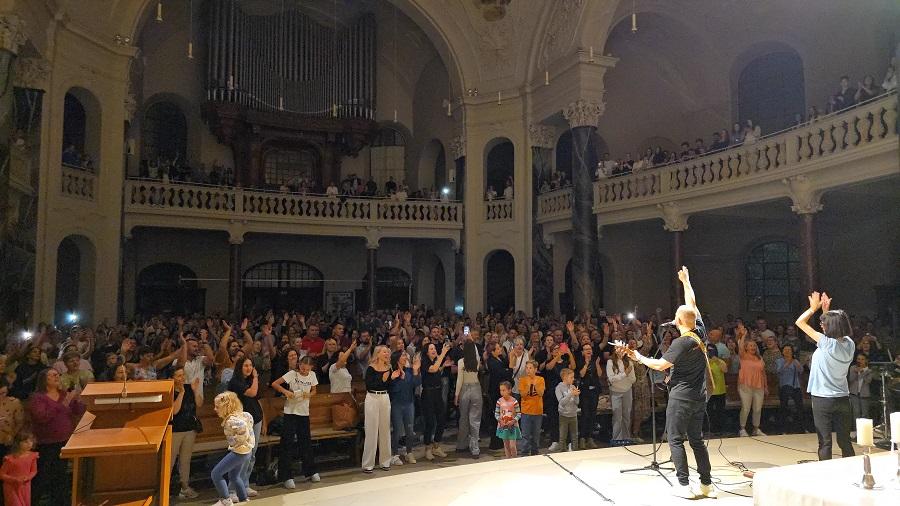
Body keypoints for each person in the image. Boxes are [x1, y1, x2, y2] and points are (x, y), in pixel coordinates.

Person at [617, 266, 715, 499]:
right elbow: (692, 302)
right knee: (697, 440)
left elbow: (661, 365)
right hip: (699, 396)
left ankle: (684, 486)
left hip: (681, 396)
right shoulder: (700, 331)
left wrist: (637, 356)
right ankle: (706, 485)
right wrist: (686, 282)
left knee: (675, 439)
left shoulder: (681, 342)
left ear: (679, 320)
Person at [795, 291, 855, 461]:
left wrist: (813, 308)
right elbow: (833, 333)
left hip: (823, 398)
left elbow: (800, 322)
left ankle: (825, 475)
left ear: (832, 326)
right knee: (845, 441)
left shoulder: (826, 343)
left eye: (825, 323)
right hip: (843, 398)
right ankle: (852, 470)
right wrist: (826, 313)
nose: (822, 325)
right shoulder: (849, 344)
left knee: (825, 442)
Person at [29, 368, 84, 506]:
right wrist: (65, 402)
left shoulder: (63, 394)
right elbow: (42, 417)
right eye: (52, 375)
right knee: (43, 476)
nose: (56, 377)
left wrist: (78, 399)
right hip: (46, 442)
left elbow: (78, 411)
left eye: (57, 375)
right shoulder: (38, 398)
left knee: (60, 476)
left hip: (64, 441)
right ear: (44, 380)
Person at [271, 356, 320, 488]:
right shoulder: (292, 374)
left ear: (311, 368)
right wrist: (286, 391)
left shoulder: (313, 375)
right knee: (287, 443)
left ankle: (310, 471)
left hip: (304, 412)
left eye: (307, 368)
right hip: (291, 412)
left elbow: (315, 390)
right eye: (302, 366)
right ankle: (286, 476)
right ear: (299, 365)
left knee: (306, 442)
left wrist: (309, 395)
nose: (304, 369)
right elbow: (275, 383)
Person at [210, 391, 255, 506]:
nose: (215, 409)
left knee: (216, 473)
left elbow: (243, 431)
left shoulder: (231, 421)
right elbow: (250, 423)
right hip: (247, 451)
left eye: (217, 407)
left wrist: (237, 441)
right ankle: (244, 499)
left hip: (239, 452)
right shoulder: (245, 414)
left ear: (226, 407)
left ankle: (225, 500)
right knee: (234, 476)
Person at [227, 357, 263, 497]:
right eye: (245, 365)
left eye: (250, 365)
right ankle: (232, 489)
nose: (249, 368)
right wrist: (255, 377)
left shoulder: (251, 381)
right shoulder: (235, 382)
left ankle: (245, 484)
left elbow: (257, 399)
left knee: (252, 454)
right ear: (239, 367)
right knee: (241, 454)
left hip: (256, 419)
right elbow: (252, 393)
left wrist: (263, 420)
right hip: (241, 423)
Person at [362, 346, 400, 473]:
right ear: (377, 354)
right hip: (372, 397)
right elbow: (369, 385)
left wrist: (391, 378)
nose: (387, 354)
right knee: (371, 431)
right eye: (384, 352)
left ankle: (385, 461)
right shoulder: (371, 368)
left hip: (384, 397)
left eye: (388, 352)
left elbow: (388, 386)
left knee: (385, 430)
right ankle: (368, 464)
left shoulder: (389, 368)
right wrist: (383, 378)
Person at [171, 366, 202, 500]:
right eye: (178, 376)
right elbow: (174, 411)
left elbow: (199, 404)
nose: (182, 378)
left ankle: (185, 487)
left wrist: (195, 391)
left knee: (185, 460)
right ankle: (164, 487)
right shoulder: (170, 391)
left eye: (183, 375)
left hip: (190, 429)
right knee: (170, 461)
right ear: (172, 378)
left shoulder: (190, 388)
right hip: (175, 430)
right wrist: (182, 393)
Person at [389, 350, 421, 465]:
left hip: (409, 403)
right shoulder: (392, 371)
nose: (405, 357)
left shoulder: (409, 371)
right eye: (403, 355)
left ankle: (409, 452)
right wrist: (394, 378)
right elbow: (391, 389)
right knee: (397, 430)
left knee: (410, 429)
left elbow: (416, 383)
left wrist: (416, 370)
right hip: (397, 404)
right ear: (397, 358)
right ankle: (394, 454)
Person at [736, 322, 767, 437]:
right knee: (746, 408)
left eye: (754, 345)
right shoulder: (743, 356)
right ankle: (742, 429)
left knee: (758, 409)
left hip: (759, 386)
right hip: (745, 385)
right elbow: (739, 346)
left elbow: (763, 373)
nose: (753, 347)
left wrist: (766, 386)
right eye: (750, 346)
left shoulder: (759, 358)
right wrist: (743, 335)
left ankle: (756, 428)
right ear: (746, 347)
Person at [421, 342, 451, 460]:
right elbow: (433, 370)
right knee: (430, 422)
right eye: (431, 348)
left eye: (434, 348)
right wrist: (443, 354)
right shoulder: (425, 361)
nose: (434, 350)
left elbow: (437, 369)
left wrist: (443, 366)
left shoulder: (436, 361)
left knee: (442, 419)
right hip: (428, 393)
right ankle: (427, 448)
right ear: (427, 351)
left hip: (438, 392)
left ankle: (436, 445)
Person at [455, 341, 482, 458]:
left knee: (463, 418)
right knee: (475, 419)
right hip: (476, 388)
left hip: (465, 390)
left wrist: (456, 395)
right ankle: (475, 447)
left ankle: (461, 445)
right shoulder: (477, 360)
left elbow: (459, 380)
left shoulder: (461, 362)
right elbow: (475, 351)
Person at [607, 345, 636, 442]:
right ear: (615, 351)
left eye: (622, 349)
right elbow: (611, 379)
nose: (621, 351)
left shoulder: (629, 362)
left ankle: (626, 437)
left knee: (626, 415)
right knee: (617, 416)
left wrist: (623, 376)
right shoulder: (610, 362)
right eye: (618, 349)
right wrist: (624, 374)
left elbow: (633, 379)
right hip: (615, 392)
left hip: (627, 390)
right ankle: (616, 439)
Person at [0, 432, 37, 506]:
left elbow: (34, 470)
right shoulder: (10, 459)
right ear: (18, 443)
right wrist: (14, 479)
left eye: (31, 441)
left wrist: (28, 477)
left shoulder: (32, 456)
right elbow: (2, 474)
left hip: (25, 486)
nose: (29, 444)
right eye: (25, 442)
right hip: (11, 487)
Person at [518, 360, 544, 456]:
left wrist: (535, 383)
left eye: (530, 368)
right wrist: (528, 385)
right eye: (527, 368)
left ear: (535, 369)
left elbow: (541, 393)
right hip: (526, 412)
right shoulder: (523, 380)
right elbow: (523, 395)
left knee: (536, 436)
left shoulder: (541, 379)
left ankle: (535, 453)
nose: (528, 370)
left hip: (538, 411)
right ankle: (524, 454)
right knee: (525, 435)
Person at [555, 368, 580, 451]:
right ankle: (562, 453)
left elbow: (577, 402)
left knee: (575, 436)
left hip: (573, 415)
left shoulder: (573, 386)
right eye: (571, 377)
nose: (573, 379)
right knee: (563, 436)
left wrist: (576, 395)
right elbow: (561, 402)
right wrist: (570, 394)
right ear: (565, 377)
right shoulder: (559, 388)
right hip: (564, 415)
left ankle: (575, 452)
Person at [494, 381, 521, 458]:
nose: (502, 392)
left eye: (504, 390)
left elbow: (519, 414)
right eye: (500, 390)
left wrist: (513, 421)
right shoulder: (499, 401)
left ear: (509, 390)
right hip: (503, 426)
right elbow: (496, 414)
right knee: (506, 445)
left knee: (512, 446)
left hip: (512, 426)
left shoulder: (514, 401)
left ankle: (515, 460)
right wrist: (500, 420)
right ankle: (508, 460)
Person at [0, 378, 25, 458]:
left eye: (3, 393)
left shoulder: (14, 403)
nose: (1, 396)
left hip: (7, 440)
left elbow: (20, 422)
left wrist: (12, 435)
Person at [706, 347, 728, 435]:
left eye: (711, 351)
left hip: (720, 391)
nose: (710, 353)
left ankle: (720, 429)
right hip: (709, 391)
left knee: (720, 411)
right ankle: (711, 429)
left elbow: (725, 370)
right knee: (709, 411)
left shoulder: (720, 361)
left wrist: (716, 360)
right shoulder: (705, 362)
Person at [847, 353, 873, 421]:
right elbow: (850, 379)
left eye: (862, 359)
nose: (860, 361)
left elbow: (868, 381)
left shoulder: (869, 370)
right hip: (854, 394)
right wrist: (856, 372)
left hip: (864, 394)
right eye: (858, 359)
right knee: (856, 413)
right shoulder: (853, 368)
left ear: (866, 360)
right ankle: (856, 430)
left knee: (865, 413)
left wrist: (862, 372)